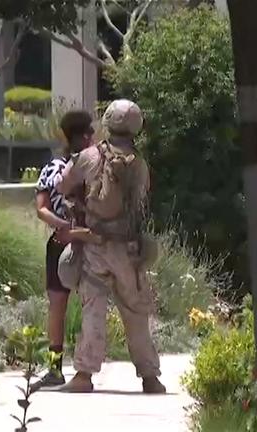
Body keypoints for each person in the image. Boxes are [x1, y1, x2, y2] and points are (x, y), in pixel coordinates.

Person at [56, 99, 165, 394]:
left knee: (93, 309)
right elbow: (141, 203)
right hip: (129, 249)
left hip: (94, 245)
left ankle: (84, 375)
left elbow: (63, 186)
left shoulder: (89, 157)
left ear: (107, 122)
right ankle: (150, 376)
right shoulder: (140, 164)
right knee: (135, 312)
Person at [30, 110, 96, 392]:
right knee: (87, 304)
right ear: (85, 136)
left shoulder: (53, 168)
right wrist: (67, 226)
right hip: (86, 243)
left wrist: (59, 226)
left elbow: (41, 208)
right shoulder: (92, 167)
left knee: (58, 306)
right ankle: (79, 368)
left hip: (60, 243)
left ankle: (56, 368)